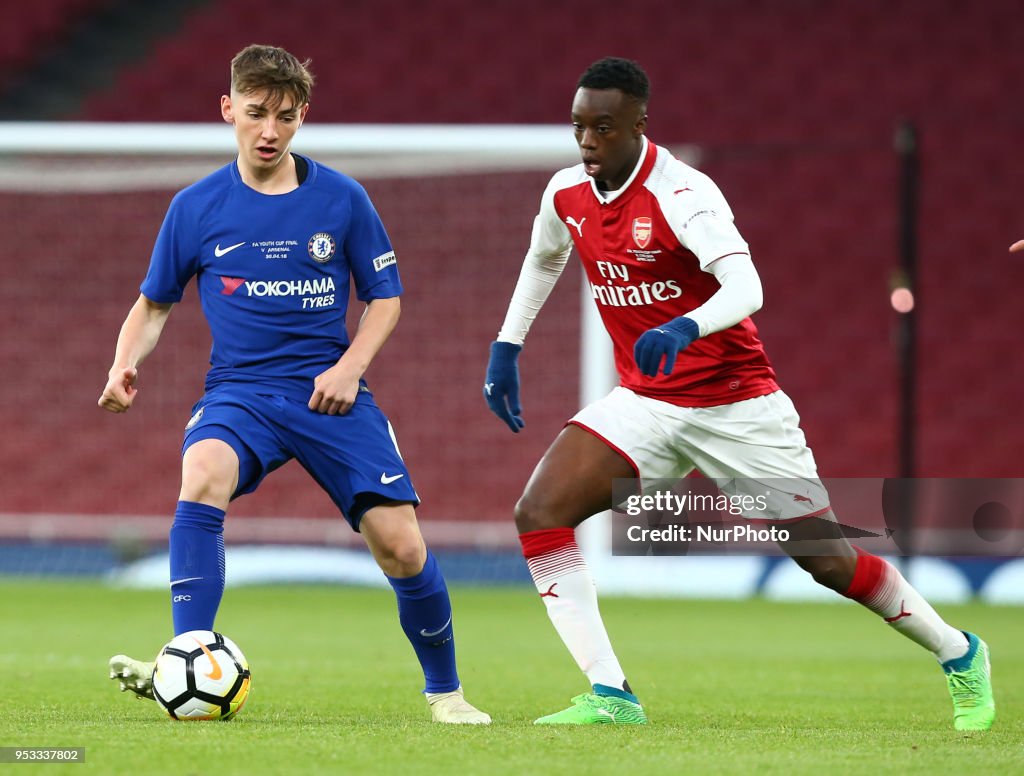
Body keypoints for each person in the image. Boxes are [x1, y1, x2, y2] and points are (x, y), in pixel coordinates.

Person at [483, 57, 994, 729]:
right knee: (539, 511)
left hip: (737, 408)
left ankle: (960, 653)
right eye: (578, 126)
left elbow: (748, 287)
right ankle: (611, 695)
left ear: (639, 125)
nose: (586, 142)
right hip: (646, 403)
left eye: (602, 129)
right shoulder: (566, 194)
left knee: (825, 560)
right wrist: (507, 345)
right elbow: (545, 256)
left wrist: (685, 324)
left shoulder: (683, 194)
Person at [99, 44, 489, 725]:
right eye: (255, 114)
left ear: (302, 115)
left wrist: (349, 368)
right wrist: (123, 363)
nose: (269, 130)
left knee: (401, 545)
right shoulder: (195, 207)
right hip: (241, 391)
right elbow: (154, 303)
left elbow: (386, 298)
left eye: (283, 115)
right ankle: (185, 651)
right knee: (203, 469)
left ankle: (446, 693)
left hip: (328, 394)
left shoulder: (342, 198)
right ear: (228, 110)